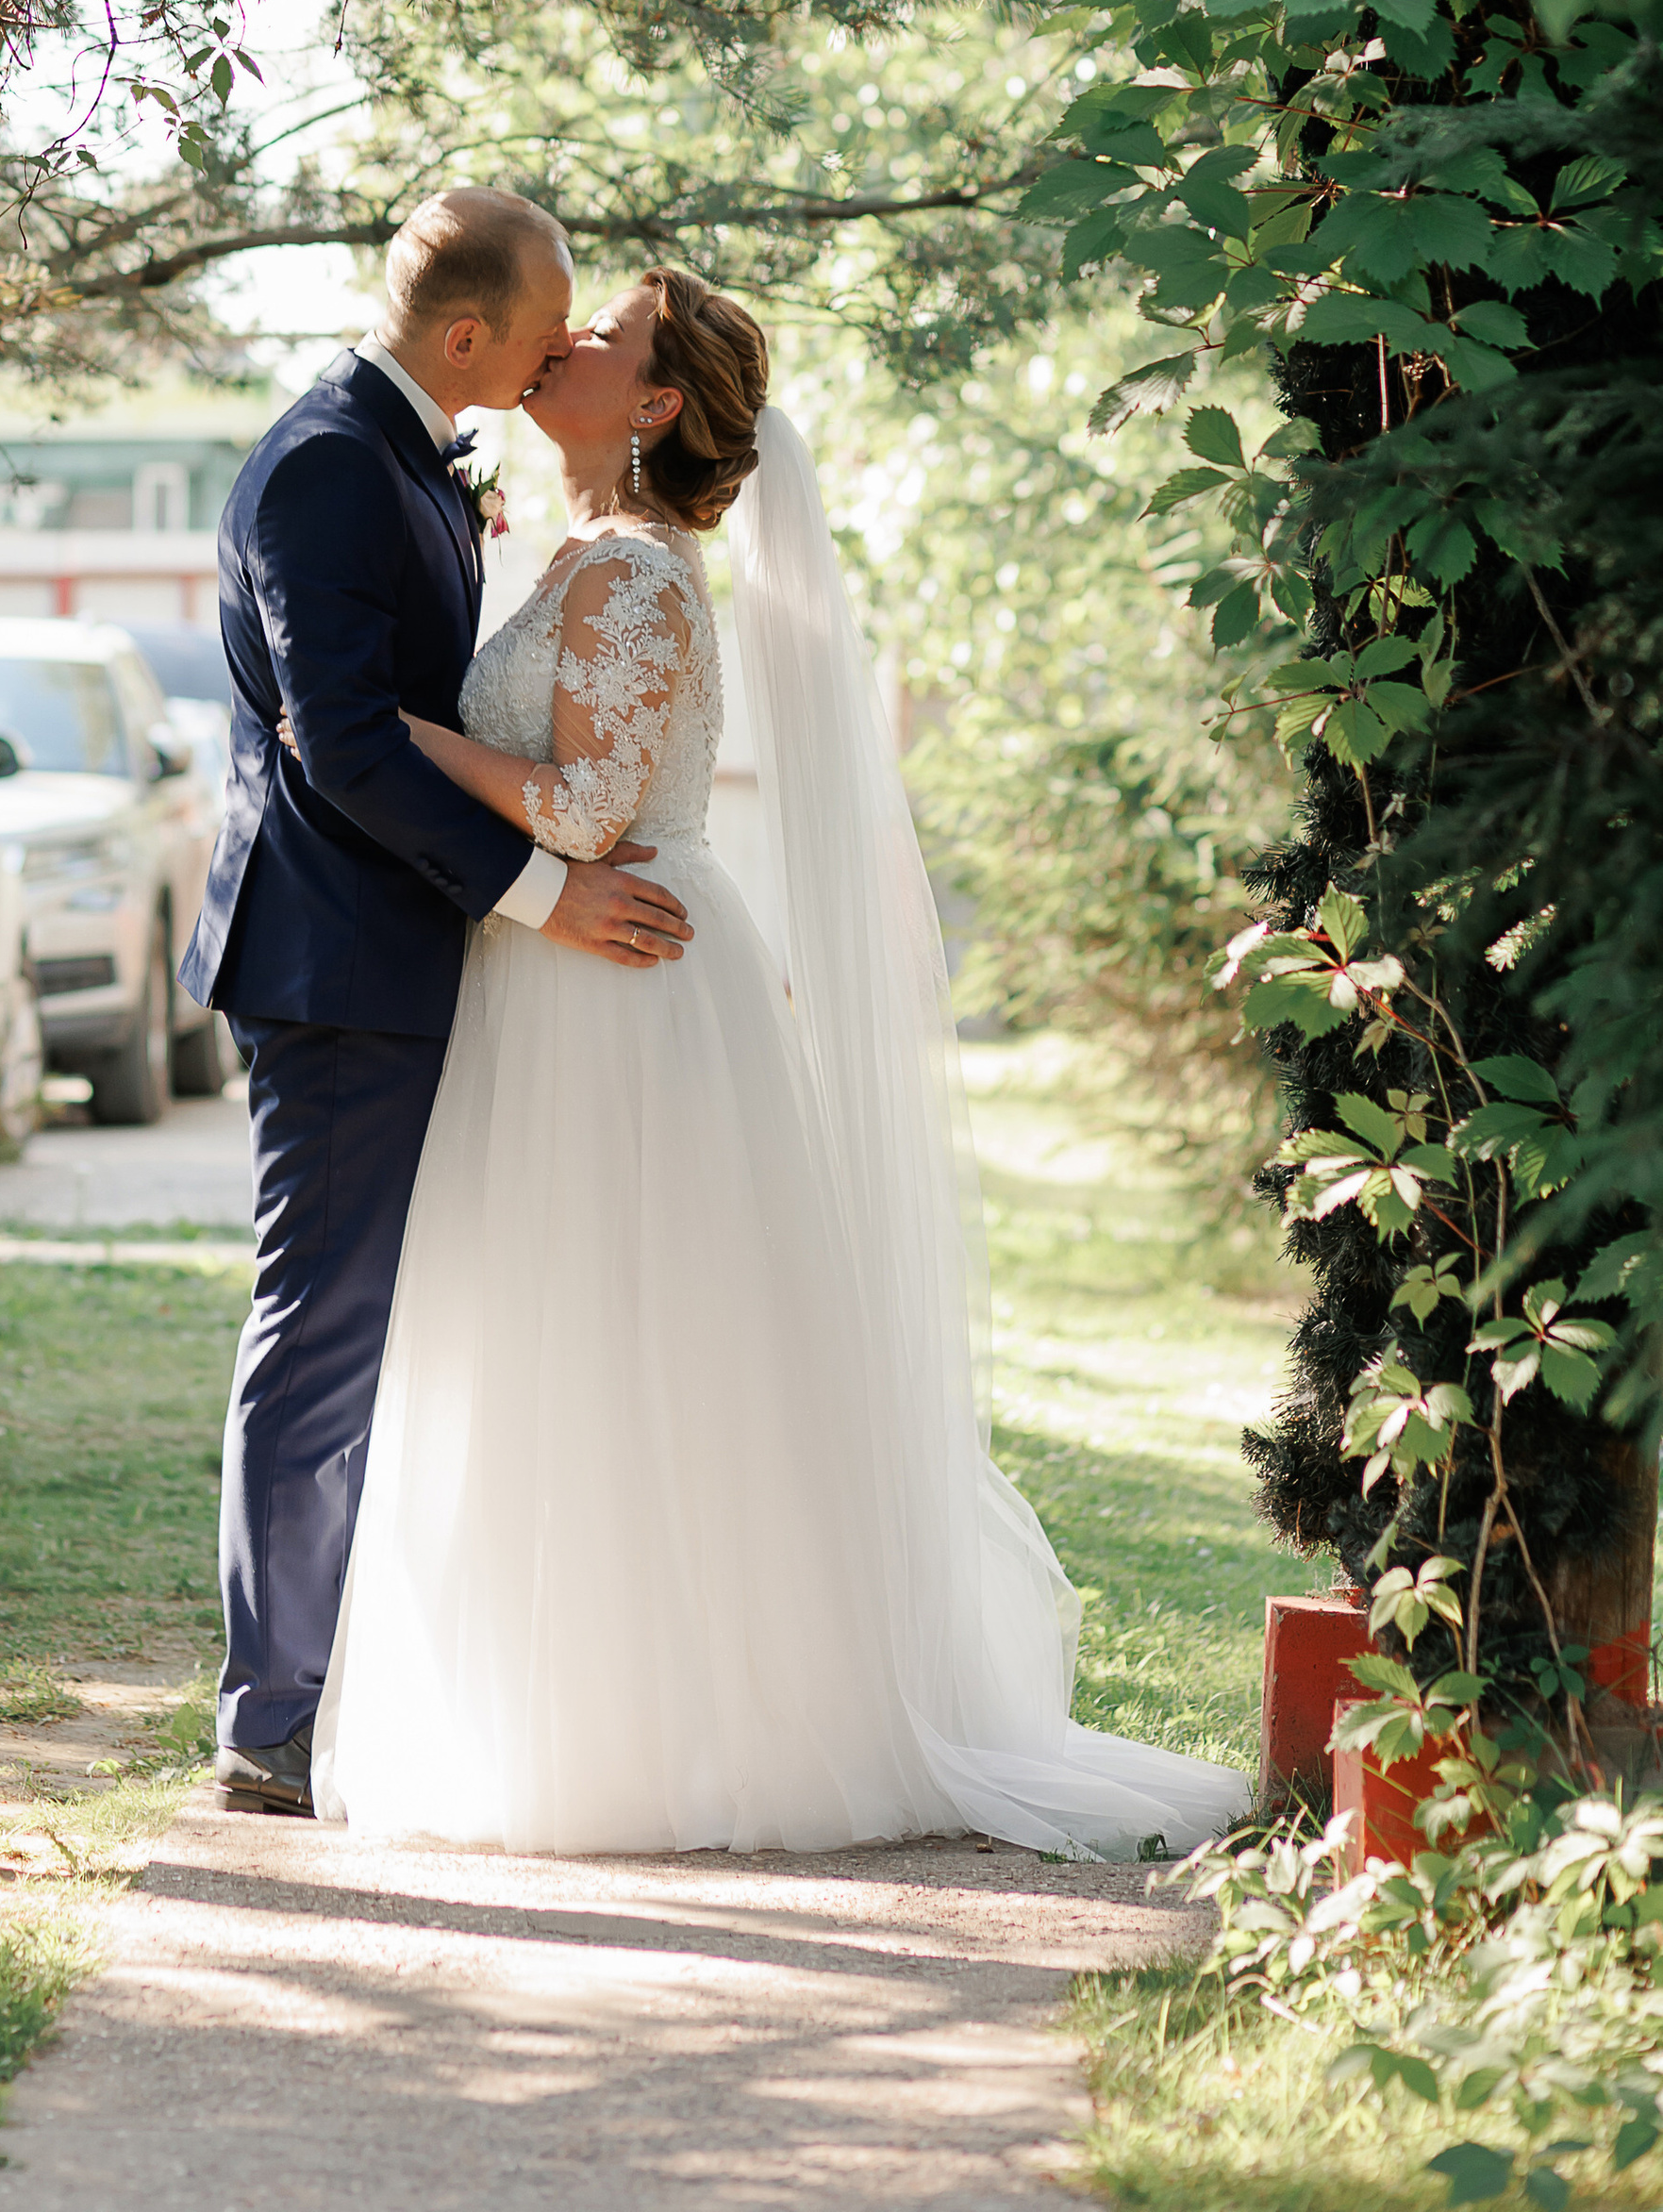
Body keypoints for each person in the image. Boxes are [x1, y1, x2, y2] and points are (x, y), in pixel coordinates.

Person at [312, 264, 1252, 1860]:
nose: (556, 350)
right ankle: (584, 1700)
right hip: (574, 967)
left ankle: (656, 1724)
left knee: (622, 1332)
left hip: (621, 976)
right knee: (580, 1334)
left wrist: (391, 735)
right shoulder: (597, 555)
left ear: (657, 403)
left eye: (592, 341)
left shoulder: (637, 579)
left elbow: (587, 810)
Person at [179, 189, 695, 1816]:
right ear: (464, 336)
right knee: (324, 1327)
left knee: (396, 1326)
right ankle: (271, 1714)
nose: (558, 358)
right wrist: (544, 895)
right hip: (340, 961)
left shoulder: (407, 456)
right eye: (543, 334)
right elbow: (344, 741)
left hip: (400, 952)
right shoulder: (334, 461)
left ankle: (349, 1680)